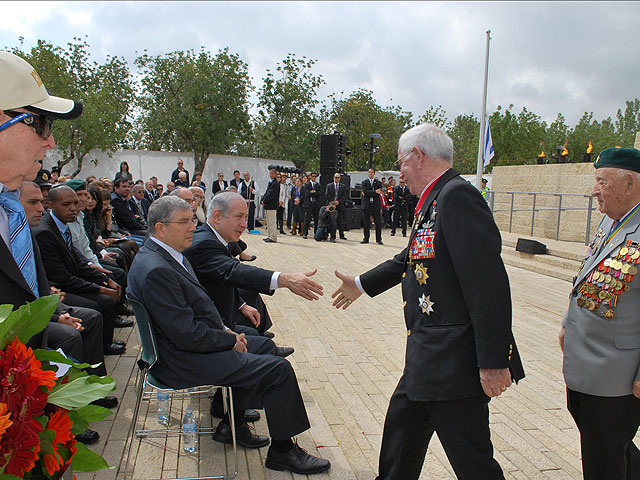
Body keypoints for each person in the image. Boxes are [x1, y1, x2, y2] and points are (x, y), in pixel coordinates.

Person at [331, 123, 525, 480]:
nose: (400, 172)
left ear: (418, 156)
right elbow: (410, 257)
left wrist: (495, 361)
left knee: (473, 462)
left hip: (455, 364)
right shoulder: (436, 199)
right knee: (400, 437)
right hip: (429, 356)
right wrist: (361, 284)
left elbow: (488, 284)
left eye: (401, 162)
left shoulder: (457, 197)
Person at [127, 196, 331, 475]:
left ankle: (230, 424)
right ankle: (283, 452)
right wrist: (229, 339)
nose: (192, 226)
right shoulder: (157, 269)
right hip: (179, 360)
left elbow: (195, 307)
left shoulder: (164, 255)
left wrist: (227, 331)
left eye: (192, 219)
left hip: (188, 346)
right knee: (278, 370)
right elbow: (185, 333)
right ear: (161, 229)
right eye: (184, 221)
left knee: (263, 347)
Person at [558, 147, 640, 480]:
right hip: (585, 366)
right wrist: (568, 324)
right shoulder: (613, 222)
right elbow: (587, 275)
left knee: (602, 459)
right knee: (608, 446)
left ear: (630, 184)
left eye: (601, 182)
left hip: (616, 378)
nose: (595, 191)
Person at [361, 168, 383, 245]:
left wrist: (370, 192)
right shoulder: (364, 182)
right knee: (366, 222)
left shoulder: (378, 183)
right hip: (367, 204)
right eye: (369, 172)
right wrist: (374, 192)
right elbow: (365, 192)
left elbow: (379, 192)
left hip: (375, 204)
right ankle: (366, 238)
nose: (370, 173)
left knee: (378, 222)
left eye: (372, 172)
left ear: (374, 173)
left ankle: (378, 239)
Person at [325, 172, 348, 241]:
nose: (337, 179)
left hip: (339, 205)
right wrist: (333, 202)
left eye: (338, 178)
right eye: (336, 177)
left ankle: (341, 234)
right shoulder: (329, 185)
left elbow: (344, 196)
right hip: (331, 205)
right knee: (331, 220)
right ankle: (330, 235)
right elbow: (327, 195)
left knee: (340, 220)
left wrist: (338, 202)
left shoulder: (343, 186)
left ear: (340, 178)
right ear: (333, 178)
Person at [302, 172, 323, 239]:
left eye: (315, 176)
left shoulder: (318, 185)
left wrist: (314, 192)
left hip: (316, 204)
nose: (314, 178)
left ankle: (316, 233)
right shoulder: (307, 184)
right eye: (313, 176)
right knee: (307, 219)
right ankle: (305, 233)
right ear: (310, 177)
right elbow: (307, 193)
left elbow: (320, 193)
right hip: (309, 203)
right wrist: (313, 193)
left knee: (316, 219)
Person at [262, 168, 280, 243]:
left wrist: (265, 200)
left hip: (272, 205)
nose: (271, 175)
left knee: (272, 222)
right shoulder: (270, 182)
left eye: (272, 173)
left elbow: (271, 194)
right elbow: (267, 192)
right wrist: (262, 199)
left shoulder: (276, 183)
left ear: (275, 174)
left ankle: (273, 237)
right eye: (270, 173)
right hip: (268, 205)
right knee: (268, 222)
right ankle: (269, 235)